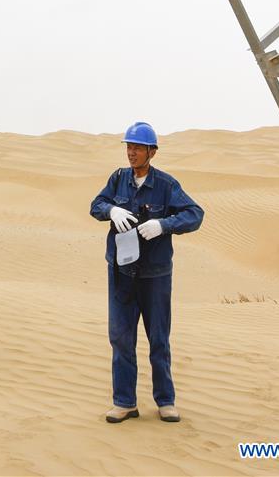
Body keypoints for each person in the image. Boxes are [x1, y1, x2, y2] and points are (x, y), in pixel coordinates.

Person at [90, 121, 203, 424]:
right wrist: (111, 210)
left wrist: (164, 224)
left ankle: (165, 401)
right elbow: (96, 205)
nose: (131, 153)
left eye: (138, 148)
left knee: (158, 339)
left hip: (155, 275)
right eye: (129, 147)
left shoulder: (166, 185)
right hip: (121, 273)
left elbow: (195, 215)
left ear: (152, 152)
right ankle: (124, 402)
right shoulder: (118, 180)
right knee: (121, 338)